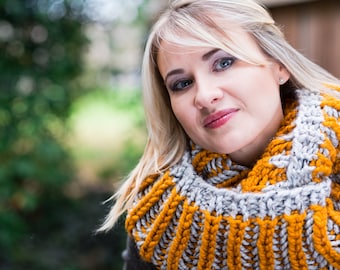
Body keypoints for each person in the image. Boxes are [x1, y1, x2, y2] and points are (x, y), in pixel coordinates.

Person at [99, 0, 340, 269]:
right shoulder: (160, 215)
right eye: (182, 84)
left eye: (223, 63)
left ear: (278, 65)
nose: (204, 95)